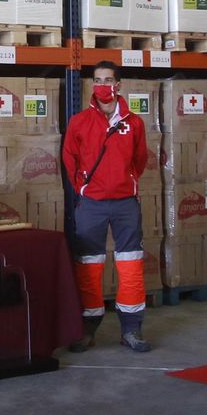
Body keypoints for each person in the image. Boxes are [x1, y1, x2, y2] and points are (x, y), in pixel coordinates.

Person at [61, 61, 153, 353]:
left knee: (131, 264)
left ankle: (131, 328)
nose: (103, 85)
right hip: (91, 204)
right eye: (98, 79)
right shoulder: (79, 122)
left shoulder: (134, 123)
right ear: (92, 85)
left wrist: (126, 184)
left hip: (126, 204)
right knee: (88, 267)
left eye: (108, 79)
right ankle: (88, 328)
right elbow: (69, 159)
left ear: (119, 85)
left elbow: (140, 161)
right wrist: (84, 189)